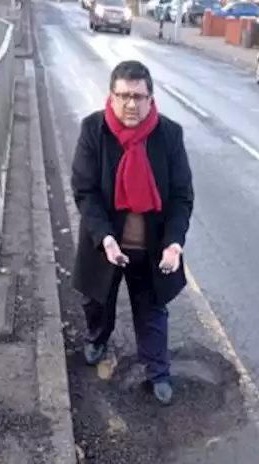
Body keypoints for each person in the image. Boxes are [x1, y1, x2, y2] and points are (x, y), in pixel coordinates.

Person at [71, 59, 193, 405]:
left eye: (139, 96)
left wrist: (173, 243)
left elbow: (182, 195)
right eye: (123, 95)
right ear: (111, 97)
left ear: (151, 99)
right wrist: (106, 237)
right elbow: (85, 190)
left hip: (151, 248)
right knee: (98, 301)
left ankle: (157, 370)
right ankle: (97, 338)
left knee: (152, 309)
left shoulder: (169, 135)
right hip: (105, 242)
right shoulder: (93, 130)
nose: (131, 104)